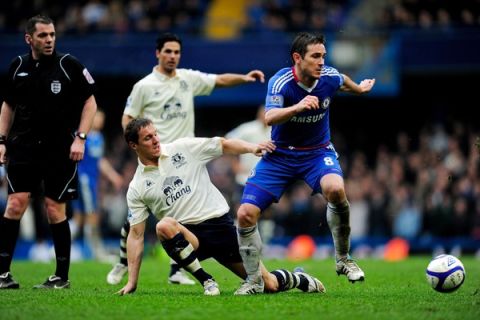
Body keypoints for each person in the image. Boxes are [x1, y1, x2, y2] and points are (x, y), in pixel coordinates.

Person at [107, 32, 266, 286]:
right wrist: (136, 142)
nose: (172, 56)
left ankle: (177, 269)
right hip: (155, 158)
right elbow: (128, 119)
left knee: (186, 211)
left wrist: (244, 78)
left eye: (176, 52)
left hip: (183, 155)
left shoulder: (187, 79)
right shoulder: (144, 86)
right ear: (157, 53)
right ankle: (124, 263)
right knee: (140, 215)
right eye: (167, 51)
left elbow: (218, 80)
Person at [234, 32, 376, 295]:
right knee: (244, 214)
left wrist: (359, 88)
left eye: (323, 55)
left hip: (316, 152)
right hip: (280, 155)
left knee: (335, 189)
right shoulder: (281, 82)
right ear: (297, 58)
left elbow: (342, 81)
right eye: (315, 56)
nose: (322, 62)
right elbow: (270, 116)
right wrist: (298, 107)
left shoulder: (328, 76)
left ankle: (343, 259)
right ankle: (254, 280)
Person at [117, 118, 325, 296]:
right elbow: (135, 235)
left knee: (267, 284)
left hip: (220, 226)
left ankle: (299, 279)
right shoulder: (137, 187)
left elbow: (223, 145)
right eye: (147, 138)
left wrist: (252, 148)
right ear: (133, 145)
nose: (155, 140)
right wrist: (132, 281)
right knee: (164, 226)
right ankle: (207, 281)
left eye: (155, 134)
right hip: (190, 237)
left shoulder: (182, 149)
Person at [0, 14, 97, 289]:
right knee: (15, 204)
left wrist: (80, 138)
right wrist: (1, 140)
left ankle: (61, 277)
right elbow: (8, 105)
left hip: (59, 150)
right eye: (43, 35)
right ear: (29, 38)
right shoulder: (17, 65)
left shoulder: (69, 65)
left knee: (54, 209)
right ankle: (3, 274)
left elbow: (90, 103)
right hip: (24, 148)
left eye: (52, 34)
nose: (49, 40)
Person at [70, 109, 124, 260]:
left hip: (91, 181)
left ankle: (55, 251)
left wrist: (113, 176)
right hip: (84, 180)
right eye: (98, 118)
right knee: (92, 215)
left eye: (102, 118)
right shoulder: (80, 136)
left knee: (80, 218)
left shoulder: (99, 137)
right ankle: (96, 252)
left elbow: (100, 161)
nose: (100, 121)